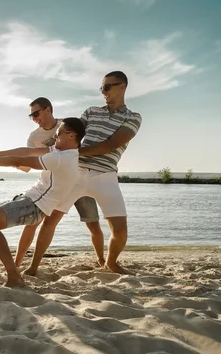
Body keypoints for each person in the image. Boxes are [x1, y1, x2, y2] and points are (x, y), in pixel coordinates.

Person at [24, 71, 142, 275]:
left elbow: (111, 145)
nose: (103, 92)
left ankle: (111, 263)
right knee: (51, 221)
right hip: (76, 173)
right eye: (101, 88)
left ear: (121, 87)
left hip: (106, 176)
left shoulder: (133, 117)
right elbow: (72, 133)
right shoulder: (91, 111)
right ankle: (33, 267)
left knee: (120, 232)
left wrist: (73, 151)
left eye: (107, 87)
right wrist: (52, 144)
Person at [0, 118, 86, 287]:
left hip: (34, 206)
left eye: (58, 134)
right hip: (28, 199)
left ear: (72, 135)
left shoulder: (62, 158)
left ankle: (14, 276)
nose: (55, 137)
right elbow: (25, 152)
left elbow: (19, 161)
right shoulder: (61, 152)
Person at [13, 97, 104, 268]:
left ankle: (102, 260)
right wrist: (16, 162)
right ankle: (18, 263)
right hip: (54, 186)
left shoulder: (66, 126)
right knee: (36, 222)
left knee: (92, 222)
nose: (34, 118)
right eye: (31, 115)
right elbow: (27, 161)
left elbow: (81, 145)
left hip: (79, 178)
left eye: (36, 113)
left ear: (48, 110)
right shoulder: (34, 137)